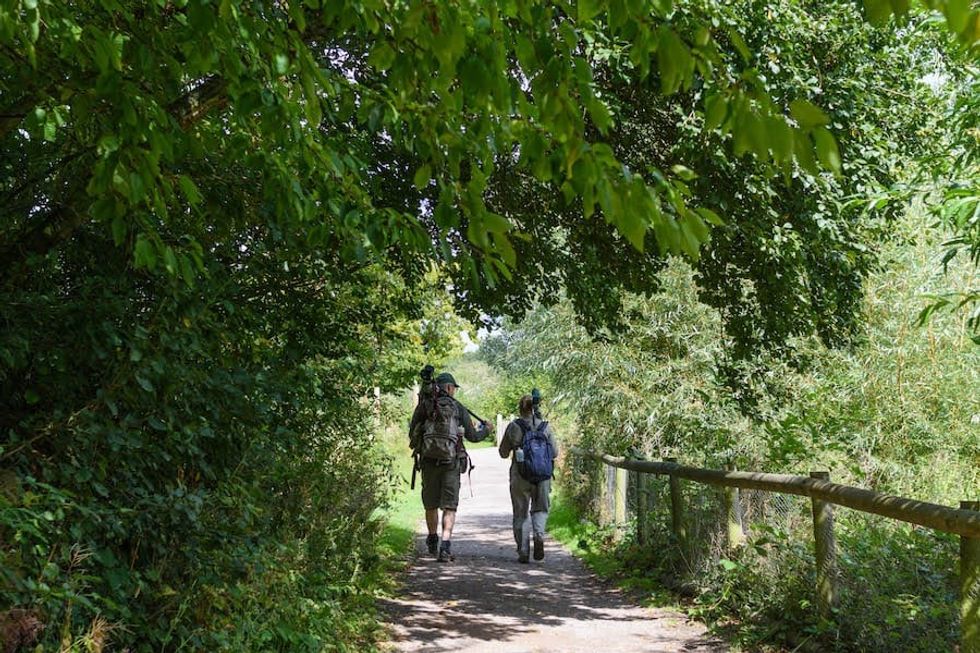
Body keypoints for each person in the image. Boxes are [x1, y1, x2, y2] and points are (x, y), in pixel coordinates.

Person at [409, 371, 492, 562]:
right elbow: (473, 436)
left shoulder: (425, 406)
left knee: (430, 503)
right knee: (449, 506)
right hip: (451, 463)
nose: (454, 391)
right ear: (448, 388)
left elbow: (412, 431)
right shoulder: (457, 408)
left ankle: (432, 538)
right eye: (453, 388)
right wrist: (486, 430)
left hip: (429, 462)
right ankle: (445, 546)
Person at [499, 394, 559, 563]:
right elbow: (554, 453)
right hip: (543, 477)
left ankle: (523, 550)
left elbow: (503, 453)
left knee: (521, 512)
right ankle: (539, 536)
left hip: (520, 476)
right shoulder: (546, 427)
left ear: (520, 408)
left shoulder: (514, 426)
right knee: (540, 509)